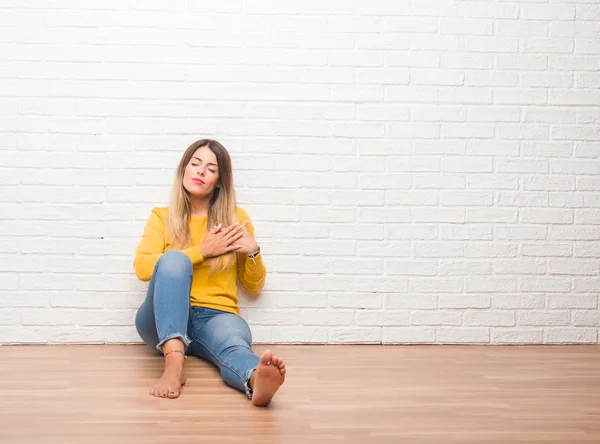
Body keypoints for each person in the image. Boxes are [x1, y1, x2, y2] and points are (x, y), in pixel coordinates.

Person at [133, 139, 286, 406]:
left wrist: (253, 252)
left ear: (220, 181)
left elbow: (253, 287)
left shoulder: (235, 219)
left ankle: (256, 379)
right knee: (173, 260)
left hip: (214, 316)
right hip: (160, 319)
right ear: (183, 170)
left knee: (234, 347)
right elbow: (142, 267)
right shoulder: (161, 217)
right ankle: (174, 365)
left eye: (211, 168)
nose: (201, 172)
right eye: (195, 164)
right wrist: (202, 250)